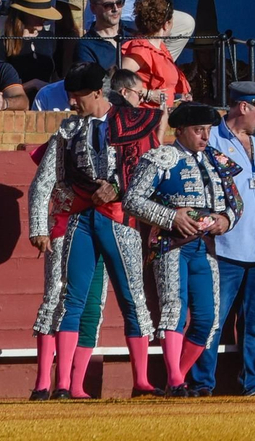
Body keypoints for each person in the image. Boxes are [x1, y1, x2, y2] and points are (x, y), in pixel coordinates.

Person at [28, 62, 163, 399]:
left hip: (119, 218)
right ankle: (62, 385)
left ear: (99, 93)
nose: (73, 104)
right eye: (70, 97)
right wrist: (39, 225)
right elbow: (43, 182)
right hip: (78, 219)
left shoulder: (133, 121)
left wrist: (118, 189)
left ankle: (142, 381)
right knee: (71, 299)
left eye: (79, 97)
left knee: (132, 298)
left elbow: (151, 169)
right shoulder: (68, 129)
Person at [124, 102, 242, 396]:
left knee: (209, 318)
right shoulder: (161, 157)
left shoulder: (216, 160)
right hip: (172, 244)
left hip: (206, 246)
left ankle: (176, 377)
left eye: (208, 130)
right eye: (198, 130)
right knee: (173, 309)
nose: (205, 136)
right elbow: (132, 201)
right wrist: (171, 217)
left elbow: (236, 203)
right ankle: (176, 379)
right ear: (181, 130)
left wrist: (225, 220)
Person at [184, 82, 255, 397]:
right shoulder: (211, 138)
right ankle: (203, 384)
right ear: (243, 107)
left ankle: (253, 384)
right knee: (212, 320)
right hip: (224, 246)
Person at [119, 0, 191, 108]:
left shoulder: (161, 48)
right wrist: (149, 94)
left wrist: (178, 96)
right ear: (167, 24)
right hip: (144, 116)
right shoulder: (141, 48)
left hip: (161, 116)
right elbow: (120, 79)